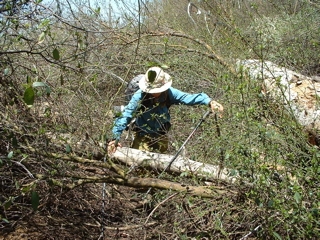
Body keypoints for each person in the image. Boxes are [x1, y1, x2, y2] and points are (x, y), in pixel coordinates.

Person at [108, 67, 224, 154]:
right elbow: (126, 115)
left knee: (158, 166)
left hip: (161, 135)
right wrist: (114, 138)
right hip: (143, 135)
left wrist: (209, 101)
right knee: (140, 167)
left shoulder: (169, 93)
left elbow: (188, 98)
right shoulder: (139, 96)